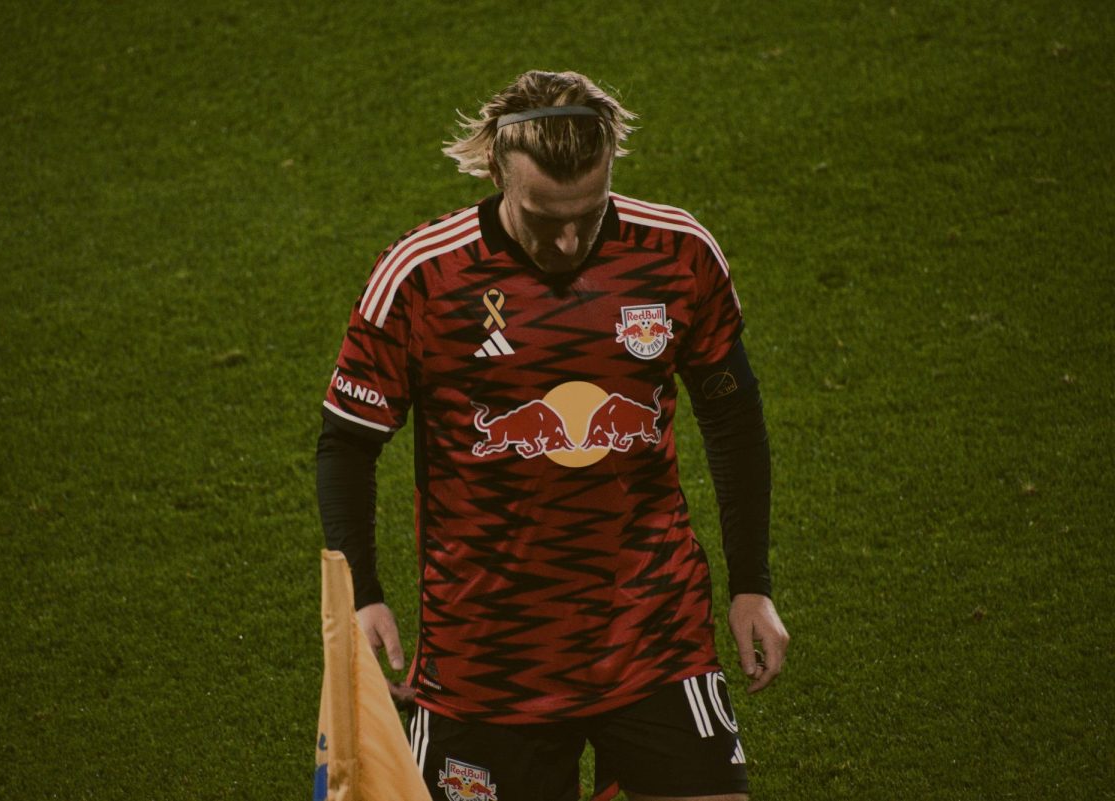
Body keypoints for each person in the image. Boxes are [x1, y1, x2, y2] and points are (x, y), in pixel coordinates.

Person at [317, 69, 789, 801]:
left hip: (654, 638)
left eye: (589, 214)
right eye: (543, 217)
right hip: (485, 665)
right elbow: (347, 442)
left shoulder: (678, 253)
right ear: (499, 173)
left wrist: (751, 585)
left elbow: (732, 420)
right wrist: (363, 594)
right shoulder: (422, 277)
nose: (568, 239)